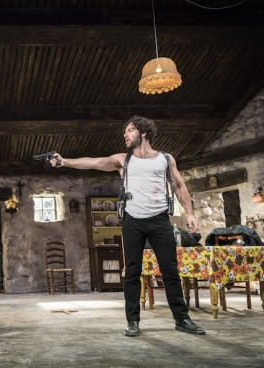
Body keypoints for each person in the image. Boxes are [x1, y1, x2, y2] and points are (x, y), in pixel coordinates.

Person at [50, 116, 205, 337]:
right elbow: (93, 162)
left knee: (170, 272)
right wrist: (64, 161)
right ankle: (133, 321)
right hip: (133, 222)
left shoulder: (165, 159)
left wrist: (190, 213)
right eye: (125, 131)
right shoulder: (123, 160)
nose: (125, 134)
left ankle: (182, 319)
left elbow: (179, 185)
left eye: (130, 130)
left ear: (143, 133)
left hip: (160, 221)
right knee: (132, 272)